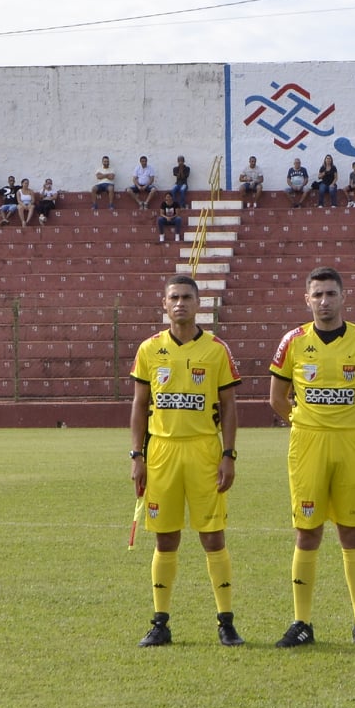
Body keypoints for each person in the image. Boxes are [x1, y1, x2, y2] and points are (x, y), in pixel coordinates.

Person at [267, 267, 355, 648]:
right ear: (307, 299)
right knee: (307, 532)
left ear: (343, 297)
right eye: (317, 295)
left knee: (352, 531)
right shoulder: (293, 341)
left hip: (349, 446)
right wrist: (305, 425)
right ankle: (301, 623)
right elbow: (276, 397)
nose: (324, 301)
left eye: (331, 294)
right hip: (308, 445)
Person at [128, 274, 244, 649]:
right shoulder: (148, 349)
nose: (180, 304)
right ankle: (160, 622)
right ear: (164, 304)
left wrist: (228, 454)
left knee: (212, 536)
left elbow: (228, 406)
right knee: (166, 538)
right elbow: (140, 404)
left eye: (187, 298)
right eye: (174, 298)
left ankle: (226, 621)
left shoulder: (216, 350)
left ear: (199, 304)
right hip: (161, 451)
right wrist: (137, 456)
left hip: (204, 451)